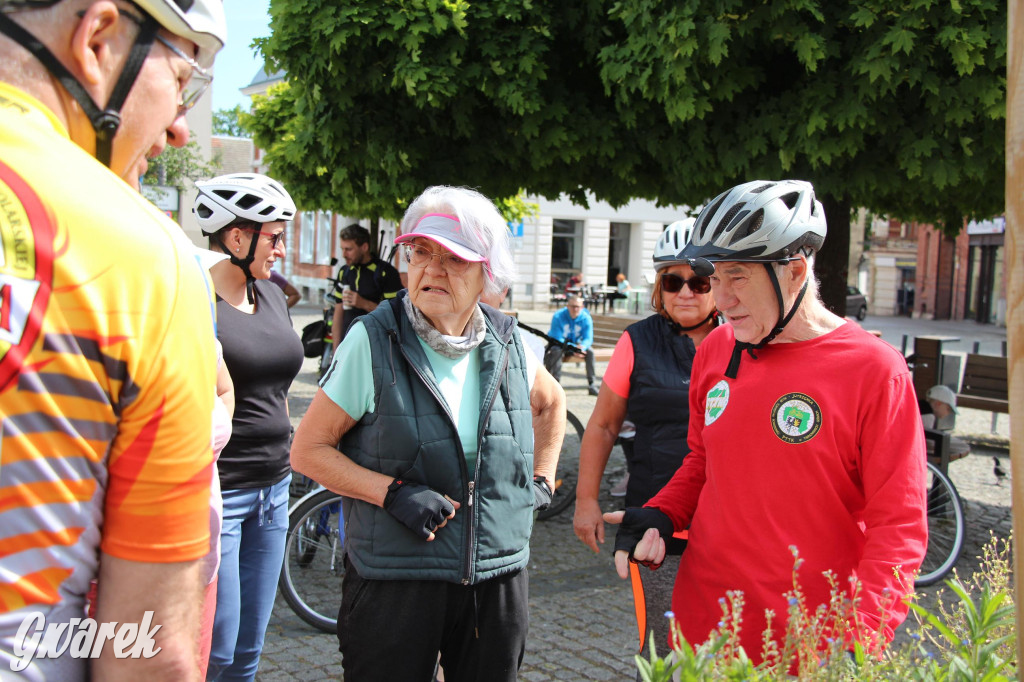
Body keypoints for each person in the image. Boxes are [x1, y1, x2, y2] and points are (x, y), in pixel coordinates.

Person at [606, 179, 927, 664]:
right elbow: (704, 459)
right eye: (714, 278)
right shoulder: (717, 349)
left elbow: (898, 524)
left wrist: (861, 641)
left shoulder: (874, 370)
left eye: (737, 278)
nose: (722, 298)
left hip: (811, 641)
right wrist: (665, 511)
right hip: (704, 629)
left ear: (795, 272)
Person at [0, 1, 225, 678]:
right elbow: (149, 654)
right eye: (183, 77)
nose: (181, 129)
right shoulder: (145, 259)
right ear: (97, 36)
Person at [290, 186, 566, 681]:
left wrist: (541, 481)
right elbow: (308, 451)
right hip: (396, 582)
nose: (431, 270)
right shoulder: (373, 340)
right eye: (420, 252)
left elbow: (551, 403)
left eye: (453, 258)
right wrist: (389, 492)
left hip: (495, 577)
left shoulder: (510, 342)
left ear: (488, 271)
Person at [574, 219, 719, 661]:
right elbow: (601, 426)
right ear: (659, 286)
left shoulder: (743, 339)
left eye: (698, 281)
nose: (686, 292)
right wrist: (585, 500)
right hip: (656, 517)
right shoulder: (637, 340)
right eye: (673, 281)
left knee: (725, 648)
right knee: (662, 649)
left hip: (726, 521)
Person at [194, 173, 305, 680]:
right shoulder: (196, 304)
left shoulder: (273, 296)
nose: (281, 248)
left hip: (275, 490)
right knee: (218, 648)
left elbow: (277, 386)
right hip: (224, 491)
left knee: (248, 652)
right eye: (274, 236)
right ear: (236, 236)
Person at [330, 223, 403, 344]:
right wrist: (336, 355)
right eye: (342, 249)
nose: (344, 255)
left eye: (348, 249)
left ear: (364, 247)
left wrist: (364, 303)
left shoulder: (386, 273)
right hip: (347, 344)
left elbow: (395, 317)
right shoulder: (344, 272)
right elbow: (338, 315)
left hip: (376, 346)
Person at [544, 295, 599, 395]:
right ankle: (556, 385)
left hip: (575, 345)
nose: (575, 309)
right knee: (556, 351)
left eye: (578, 306)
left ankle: (592, 384)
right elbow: (557, 338)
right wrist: (573, 349)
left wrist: (582, 347)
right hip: (558, 344)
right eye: (573, 306)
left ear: (582, 307)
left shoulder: (586, 318)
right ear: (568, 306)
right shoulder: (558, 316)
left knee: (590, 352)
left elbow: (588, 338)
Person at [922, 384, 970, 461]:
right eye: (948, 409)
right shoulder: (928, 415)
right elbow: (926, 440)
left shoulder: (920, 407)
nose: (948, 413)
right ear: (938, 404)